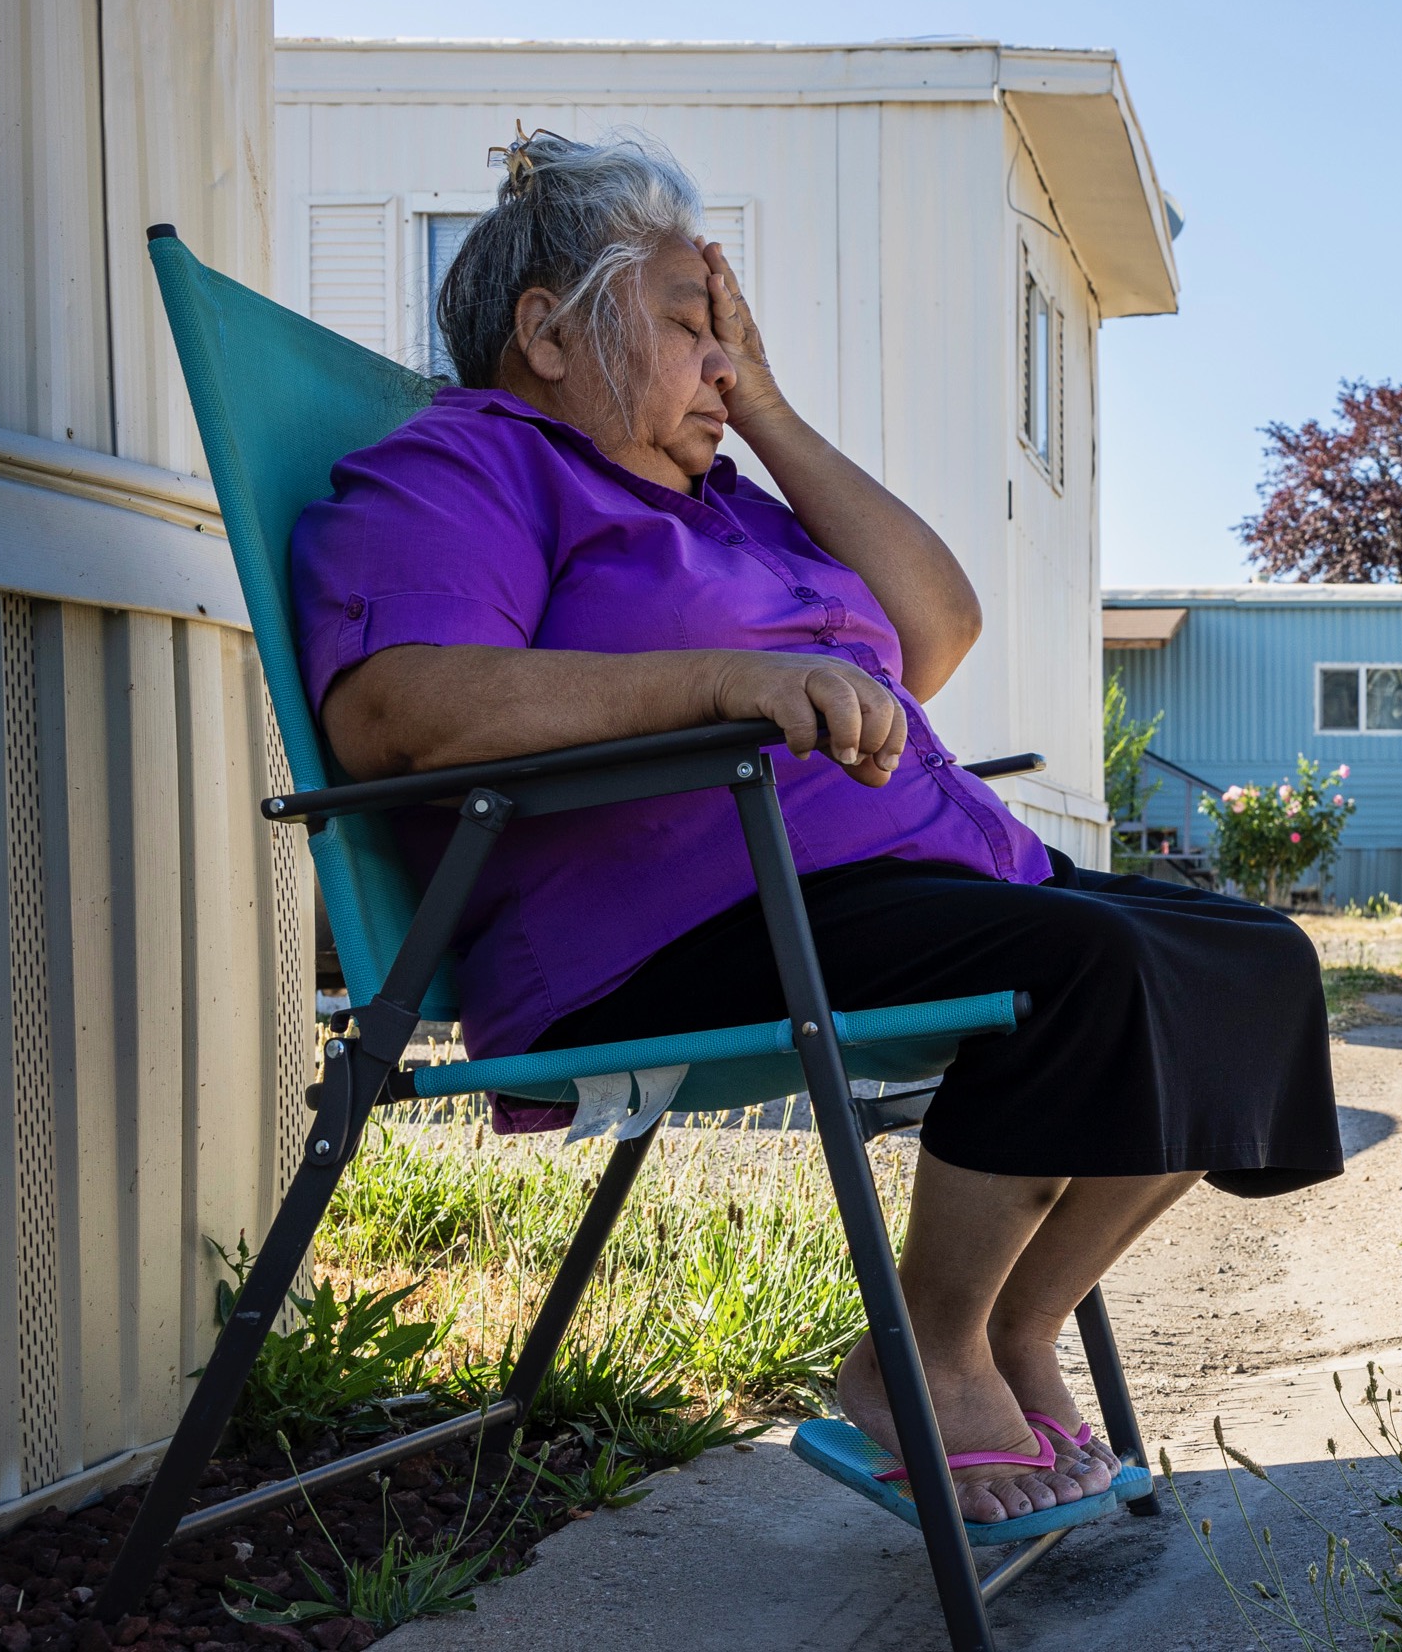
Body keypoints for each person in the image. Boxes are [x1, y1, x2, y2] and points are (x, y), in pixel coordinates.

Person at [288, 131, 1342, 1524]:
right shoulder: (474, 466)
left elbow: (938, 630)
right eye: (689, 327)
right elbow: (398, 712)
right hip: (676, 923)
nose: (721, 364)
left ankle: (1016, 1327)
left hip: (888, 881)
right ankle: (919, 1350)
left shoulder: (725, 509)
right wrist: (729, 679)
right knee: (1087, 975)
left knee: (1254, 966)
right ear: (547, 333)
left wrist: (767, 404)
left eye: (731, 338)